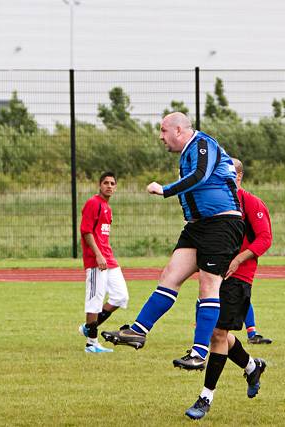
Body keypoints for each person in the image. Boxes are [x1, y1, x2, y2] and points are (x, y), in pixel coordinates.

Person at [102, 112, 244, 370]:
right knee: (169, 276)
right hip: (198, 226)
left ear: (179, 130)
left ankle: (199, 354)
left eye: (163, 130)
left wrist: (165, 189)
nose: (160, 136)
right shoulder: (185, 154)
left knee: (207, 287)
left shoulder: (203, 144)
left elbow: (200, 176)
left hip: (221, 224)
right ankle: (138, 331)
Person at [184, 157, 271, 419]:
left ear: (239, 177)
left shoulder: (251, 203)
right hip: (215, 275)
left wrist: (237, 259)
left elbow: (265, 239)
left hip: (239, 277)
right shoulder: (213, 205)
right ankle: (251, 366)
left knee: (219, 334)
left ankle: (205, 397)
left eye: (229, 175)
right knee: (215, 334)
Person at [79, 172, 129, 353]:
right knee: (95, 299)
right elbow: (86, 231)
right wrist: (98, 255)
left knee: (120, 296)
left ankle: (89, 326)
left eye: (112, 183)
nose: (109, 186)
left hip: (109, 259)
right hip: (96, 260)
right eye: (106, 183)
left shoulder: (107, 207)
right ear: (99, 185)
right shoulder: (93, 203)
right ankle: (91, 343)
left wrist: (105, 255)